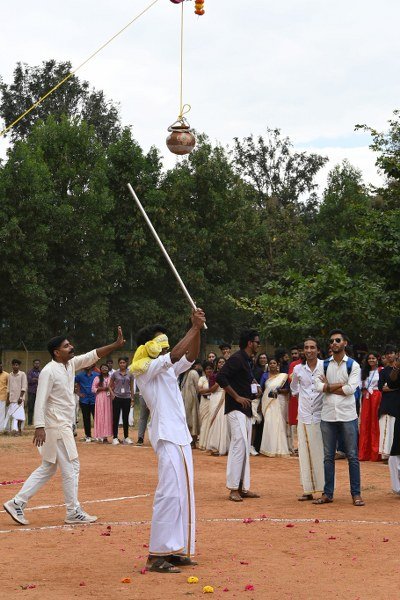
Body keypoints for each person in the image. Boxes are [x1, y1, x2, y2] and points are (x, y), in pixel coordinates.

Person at [3, 327, 125, 526]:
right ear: (56, 352)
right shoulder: (49, 371)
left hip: (61, 425)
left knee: (49, 467)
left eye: (70, 344)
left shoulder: (70, 364)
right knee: (72, 465)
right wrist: (39, 426)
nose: (71, 347)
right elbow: (40, 400)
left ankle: (17, 502)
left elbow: (92, 355)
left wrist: (115, 345)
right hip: (56, 425)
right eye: (66, 346)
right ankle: (73, 511)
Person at [131, 308, 206, 573]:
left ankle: (174, 549)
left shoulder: (167, 369)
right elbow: (174, 355)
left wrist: (197, 330)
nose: (165, 345)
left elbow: (190, 356)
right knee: (169, 492)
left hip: (179, 435)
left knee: (183, 493)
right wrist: (193, 327)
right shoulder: (145, 368)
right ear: (148, 345)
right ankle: (156, 554)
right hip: (166, 434)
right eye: (160, 340)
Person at [313, 329, 364, 506]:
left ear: (345, 343)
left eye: (337, 340)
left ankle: (356, 494)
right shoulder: (323, 364)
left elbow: (350, 389)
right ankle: (328, 493)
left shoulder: (353, 365)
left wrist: (328, 387)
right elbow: (317, 386)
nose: (333, 343)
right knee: (328, 456)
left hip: (347, 415)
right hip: (328, 415)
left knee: (352, 456)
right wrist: (339, 384)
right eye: (331, 341)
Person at [216, 329, 261, 503]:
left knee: (244, 447)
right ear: (250, 343)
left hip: (245, 410)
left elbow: (243, 381)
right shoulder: (237, 358)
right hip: (235, 409)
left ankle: (241, 487)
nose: (258, 345)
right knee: (238, 445)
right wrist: (236, 397)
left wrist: (255, 389)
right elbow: (221, 377)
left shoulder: (247, 360)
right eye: (257, 342)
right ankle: (233, 488)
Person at [290, 338, 324, 500]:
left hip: (321, 415)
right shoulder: (298, 369)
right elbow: (294, 388)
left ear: (318, 350)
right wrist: (302, 399)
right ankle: (308, 490)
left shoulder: (325, 366)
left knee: (322, 453)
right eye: (306, 348)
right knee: (304, 453)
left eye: (312, 347)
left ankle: (325, 489)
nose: (309, 350)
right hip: (304, 415)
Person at [259, 358, 290, 458]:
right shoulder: (264, 375)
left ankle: (279, 449)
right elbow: (261, 389)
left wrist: (279, 391)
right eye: (271, 363)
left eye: (274, 363)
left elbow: (288, 390)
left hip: (279, 401)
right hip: (268, 402)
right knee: (269, 423)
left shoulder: (283, 376)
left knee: (279, 423)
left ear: (278, 365)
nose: (272, 365)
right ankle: (268, 448)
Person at [358, 352, 382, 461]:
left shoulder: (381, 370)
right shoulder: (364, 371)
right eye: (369, 358)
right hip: (367, 397)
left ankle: (375, 453)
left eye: (373, 358)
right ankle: (364, 453)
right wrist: (363, 389)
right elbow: (360, 385)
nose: (371, 360)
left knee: (375, 423)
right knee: (365, 422)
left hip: (377, 396)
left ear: (377, 359)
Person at [378, 345, 399, 461]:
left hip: (397, 403)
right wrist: (395, 388)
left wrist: (390, 387)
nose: (389, 355)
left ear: (396, 354)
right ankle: (386, 454)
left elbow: (388, 386)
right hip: (387, 404)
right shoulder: (383, 371)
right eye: (387, 353)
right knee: (387, 428)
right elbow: (381, 387)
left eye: (392, 353)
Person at [207, 357, 229, 456]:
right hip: (216, 398)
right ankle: (214, 446)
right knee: (216, 421)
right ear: (217, 365)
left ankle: (225, 446)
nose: (222, 364)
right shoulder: (213, 376)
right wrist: (220, 380)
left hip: (226, 398)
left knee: (224, 421)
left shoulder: (230, 374)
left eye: (223, 362)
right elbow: (212, 390)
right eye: (220, 362)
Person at [110, 357, 134, 445]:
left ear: (126, 363)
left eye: (124, 362)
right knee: (115, 418)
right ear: (118, 364)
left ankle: (126, 437)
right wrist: (113, 395)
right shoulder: (115, 374)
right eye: (120, 362)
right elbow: (109, 386)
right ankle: (115, 437)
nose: (122, 364)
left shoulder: (130, 374)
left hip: (127, 398)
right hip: (117, 398)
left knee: (125, 418)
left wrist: (132, 399)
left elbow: (132, 387)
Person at [386, 353, 400, 493]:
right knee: (396, 449)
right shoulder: (397, 370)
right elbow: (391, 383)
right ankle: (398, 487)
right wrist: (396, 367)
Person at [4, 359, 27, 435]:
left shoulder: (22, 374)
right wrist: (7, 399)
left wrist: (21, 398)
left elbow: (24, 387)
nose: (15, 366)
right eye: (14, 365)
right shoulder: (10, 375)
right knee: (13, 415)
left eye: (17, 365)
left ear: (19, 366)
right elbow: (8, 388)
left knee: (19, 416)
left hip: (19, 400)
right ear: (12, 365)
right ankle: (14, 430)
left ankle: (19, 430)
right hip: (12, 399)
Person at [75, 365, 98, 442]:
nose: (88, 366)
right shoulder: (79, 375)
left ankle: (98, 435)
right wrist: (78, 393)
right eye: (86, 364)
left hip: (94, 399)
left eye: (89, 364)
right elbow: (74, 383)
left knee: (96, 418)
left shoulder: (96, 375)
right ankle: (88, 435)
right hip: (84, 400)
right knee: (86, 418)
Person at [180, 363, 201, 448]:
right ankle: (188, 440)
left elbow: (198, 387)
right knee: (186, 420)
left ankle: (193, 441)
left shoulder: (193, 373)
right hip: (184, 401)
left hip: (192, 400)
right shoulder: (184, 374)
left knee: (193, 420)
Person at [92, 364, 113, 443]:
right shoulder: (97, 378)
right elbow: (93, 389)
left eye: (106, 368)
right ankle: (99, 435)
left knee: (107, 416)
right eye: (103, 368)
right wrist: (103, 388)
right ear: (100, 370)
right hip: (100, 398)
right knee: (100, 415)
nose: (104, 369)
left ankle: (105, 436)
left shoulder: (110, 378)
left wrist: (110, 388)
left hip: (108, 399)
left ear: (108, 369)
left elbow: (114, 386)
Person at [197, 361, 214, 451]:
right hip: (204, 402)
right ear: (204, 370)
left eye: (210, 368)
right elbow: (200, 391)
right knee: (204, 422)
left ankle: (209, 444)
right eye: (207, 369)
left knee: (211, 422)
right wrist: (211, 390)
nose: (209, 370)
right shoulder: (202, 379)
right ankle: (202, 444)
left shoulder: (215, 378)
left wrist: (207, 391)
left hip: (213, 402)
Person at [27, 359, 41, 426]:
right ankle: (30, 423)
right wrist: (37, 379)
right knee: (30, 407)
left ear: (39, 364)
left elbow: (43, 380)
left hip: (39, 392)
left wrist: (35, 379)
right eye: (35, 363)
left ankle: (38, 423)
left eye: (38, 363)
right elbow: (29, 380)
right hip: (31, 392)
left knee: (39, 408)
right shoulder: (30, 372)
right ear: (33, 364)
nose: (36, 364)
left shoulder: (41, 372)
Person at [0, 362, 9, 431]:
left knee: (3, 413)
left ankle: (2, 429)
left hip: (3, 397)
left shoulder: (6, 375)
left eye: (1, 367)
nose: (0, 368)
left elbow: (9, 386)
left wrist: (8, 398)